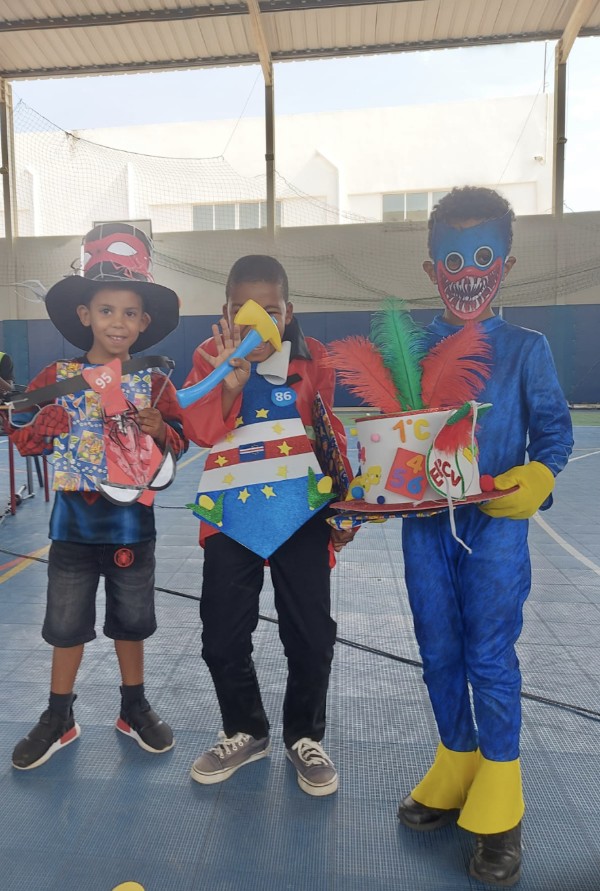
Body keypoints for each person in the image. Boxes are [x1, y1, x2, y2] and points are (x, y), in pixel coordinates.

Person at [396, 187, 574, 886]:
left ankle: (501, 796)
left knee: (489, 654)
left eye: (482, 258)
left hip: (495, 527)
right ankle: (456, 761)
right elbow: (392, 433)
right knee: (436, 648)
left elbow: (554, 432)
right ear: (431, 268)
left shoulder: (527, 349)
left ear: (506, 264)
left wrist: (538, 476)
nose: (467, 273)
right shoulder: (410, 350)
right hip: (423, 527)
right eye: (453, 260)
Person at [7, 223, 187, 770]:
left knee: (131, 622)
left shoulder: (153, 382)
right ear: (85, 314)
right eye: (106, 310)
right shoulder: (57, 376)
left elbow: (181, 442)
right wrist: (42, 426)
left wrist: (160, 430)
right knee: (66, 626)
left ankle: (134, 707)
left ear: (144, 322)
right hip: (72, 529)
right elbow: (22, 433)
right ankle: (58, 715)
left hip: (133, 526)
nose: (118, 322)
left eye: (130, 313)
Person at [180, 254, 355, 796]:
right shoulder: (208, 356)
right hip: (231, 512)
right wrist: (228, 384)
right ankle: (245, 729)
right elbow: (201, 431)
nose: (257, 324)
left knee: (311, 635)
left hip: (301, 510)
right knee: (221, 634)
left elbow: (328, 433)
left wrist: (344, 504)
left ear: (289, 312)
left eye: (270, 312)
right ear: (226, 311)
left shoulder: (314, 358)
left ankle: (305, 736)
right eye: (243, 311)